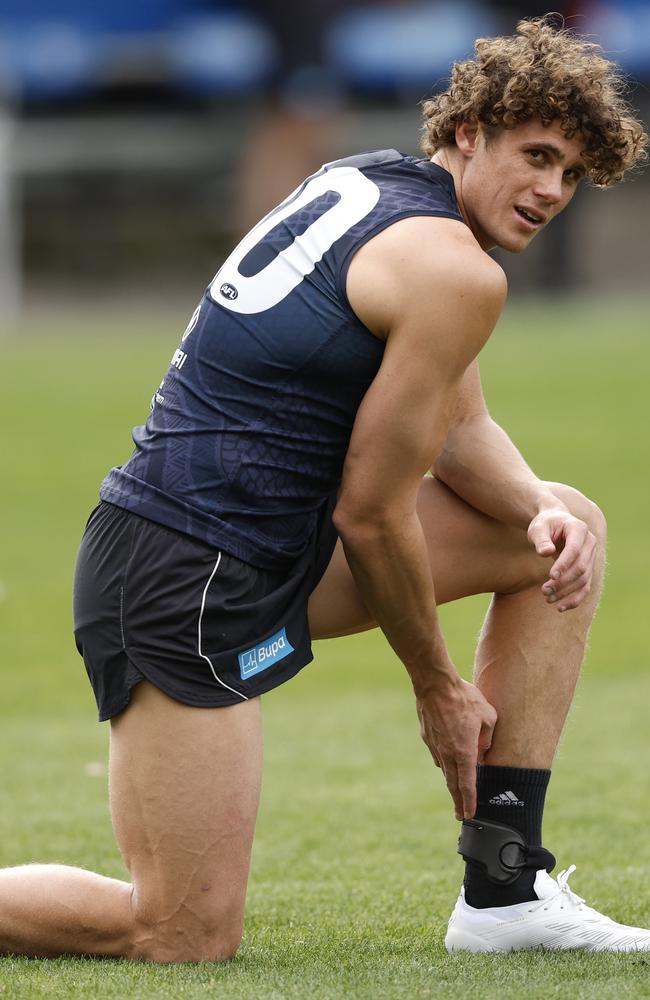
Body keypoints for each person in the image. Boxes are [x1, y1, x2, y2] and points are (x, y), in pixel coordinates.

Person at [1, 17, 648, 961]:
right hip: (185, 573)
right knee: (178, 931)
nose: (551, 191)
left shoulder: (377, 183)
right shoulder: (451, 269)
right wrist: (438, 687)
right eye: (537, 155)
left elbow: (459, 432)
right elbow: (372, 512)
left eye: (573, 175)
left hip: (266, 543)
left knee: (561, 529)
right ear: (469, 132)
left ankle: (505, 889)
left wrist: (534, 509)